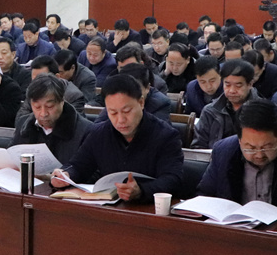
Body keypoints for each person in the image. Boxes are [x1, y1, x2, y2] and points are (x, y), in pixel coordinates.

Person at [51, 73, 182, 202]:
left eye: (126, 111)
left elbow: (172, 179)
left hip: (150, 208)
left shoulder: (166, 135)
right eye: (113, 113)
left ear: (141, 102)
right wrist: (66, 175)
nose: (120, 120)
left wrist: (141, 190)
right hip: (109, 206)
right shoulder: (100, 133)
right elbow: (79, 165)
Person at [196, 100, 277, 218]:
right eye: (250, 148)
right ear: (239, 140)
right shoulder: (223, 151)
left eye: (267, 147)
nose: (259, 155)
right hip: (233, 229)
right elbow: (205, 196)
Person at [9, 74, 94, 163]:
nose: (43, 113)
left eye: (49, 106)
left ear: (62, 101)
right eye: (37, 107)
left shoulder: (85, 131)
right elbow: (12, 157)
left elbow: (91, 169)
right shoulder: (23, 124)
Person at [192, 59, 259, 149]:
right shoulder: (210, 111)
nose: (232, 90)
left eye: (238, 85)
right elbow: (198, 146)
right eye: (227, 85)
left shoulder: (262, 111)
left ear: (250, 84)